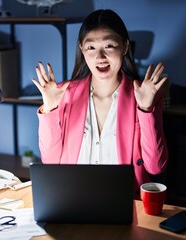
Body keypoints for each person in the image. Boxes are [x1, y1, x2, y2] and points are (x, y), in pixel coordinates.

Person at [32, 9, 168, 198]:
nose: (100, 57)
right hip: (73, 198)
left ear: (125, 46)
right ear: (81, 48)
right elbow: (51, 162)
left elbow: (156, 166)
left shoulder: (143, 95)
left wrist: (145, 109)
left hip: (124, 202)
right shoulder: (62, 93)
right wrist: (50, 109)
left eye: (109, 45)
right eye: (91, 48)